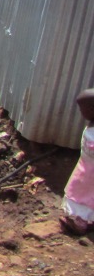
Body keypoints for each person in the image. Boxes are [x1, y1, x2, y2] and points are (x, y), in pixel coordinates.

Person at [61, 89, 94, 235]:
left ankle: (82, 220)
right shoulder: (91, 129)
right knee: (83, 196)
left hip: (87, 171)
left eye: (84, 109)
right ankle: (80, 219)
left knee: (85, 196)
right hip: (86, 171)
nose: (82, 113)